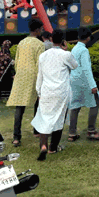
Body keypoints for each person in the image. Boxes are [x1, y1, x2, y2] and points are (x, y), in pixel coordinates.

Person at [32, 29, 79, 160]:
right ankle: (53, 147)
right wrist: (66, 49)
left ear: (51, 39)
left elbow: (40, 76)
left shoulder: (43, 56)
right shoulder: (66, 55)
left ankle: (43, 145)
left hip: (46, 90)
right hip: (61, 92)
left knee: (44, 118)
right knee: (59, 118)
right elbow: (75, 66)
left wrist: (39, 91)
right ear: (63, 40)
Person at [7, 19, 45, 147]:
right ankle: (36, 131)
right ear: (38, 29)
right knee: (37, 103)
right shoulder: (40, 44)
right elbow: (40, 63)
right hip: (34, 75)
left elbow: (17, 61)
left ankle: (16, 137)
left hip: (21, 75)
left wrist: (18, 73)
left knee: (20, 106)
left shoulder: (21, 43)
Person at [68, 27, 99, 141]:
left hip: (74, 80)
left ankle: (72, 133)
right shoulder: (84, 50)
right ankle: (91, 130)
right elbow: (86, 69)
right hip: (83, 81)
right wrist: (93, 85)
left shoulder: (74, 48)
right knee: (96, 102)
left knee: (75, 106)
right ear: (88, 37)